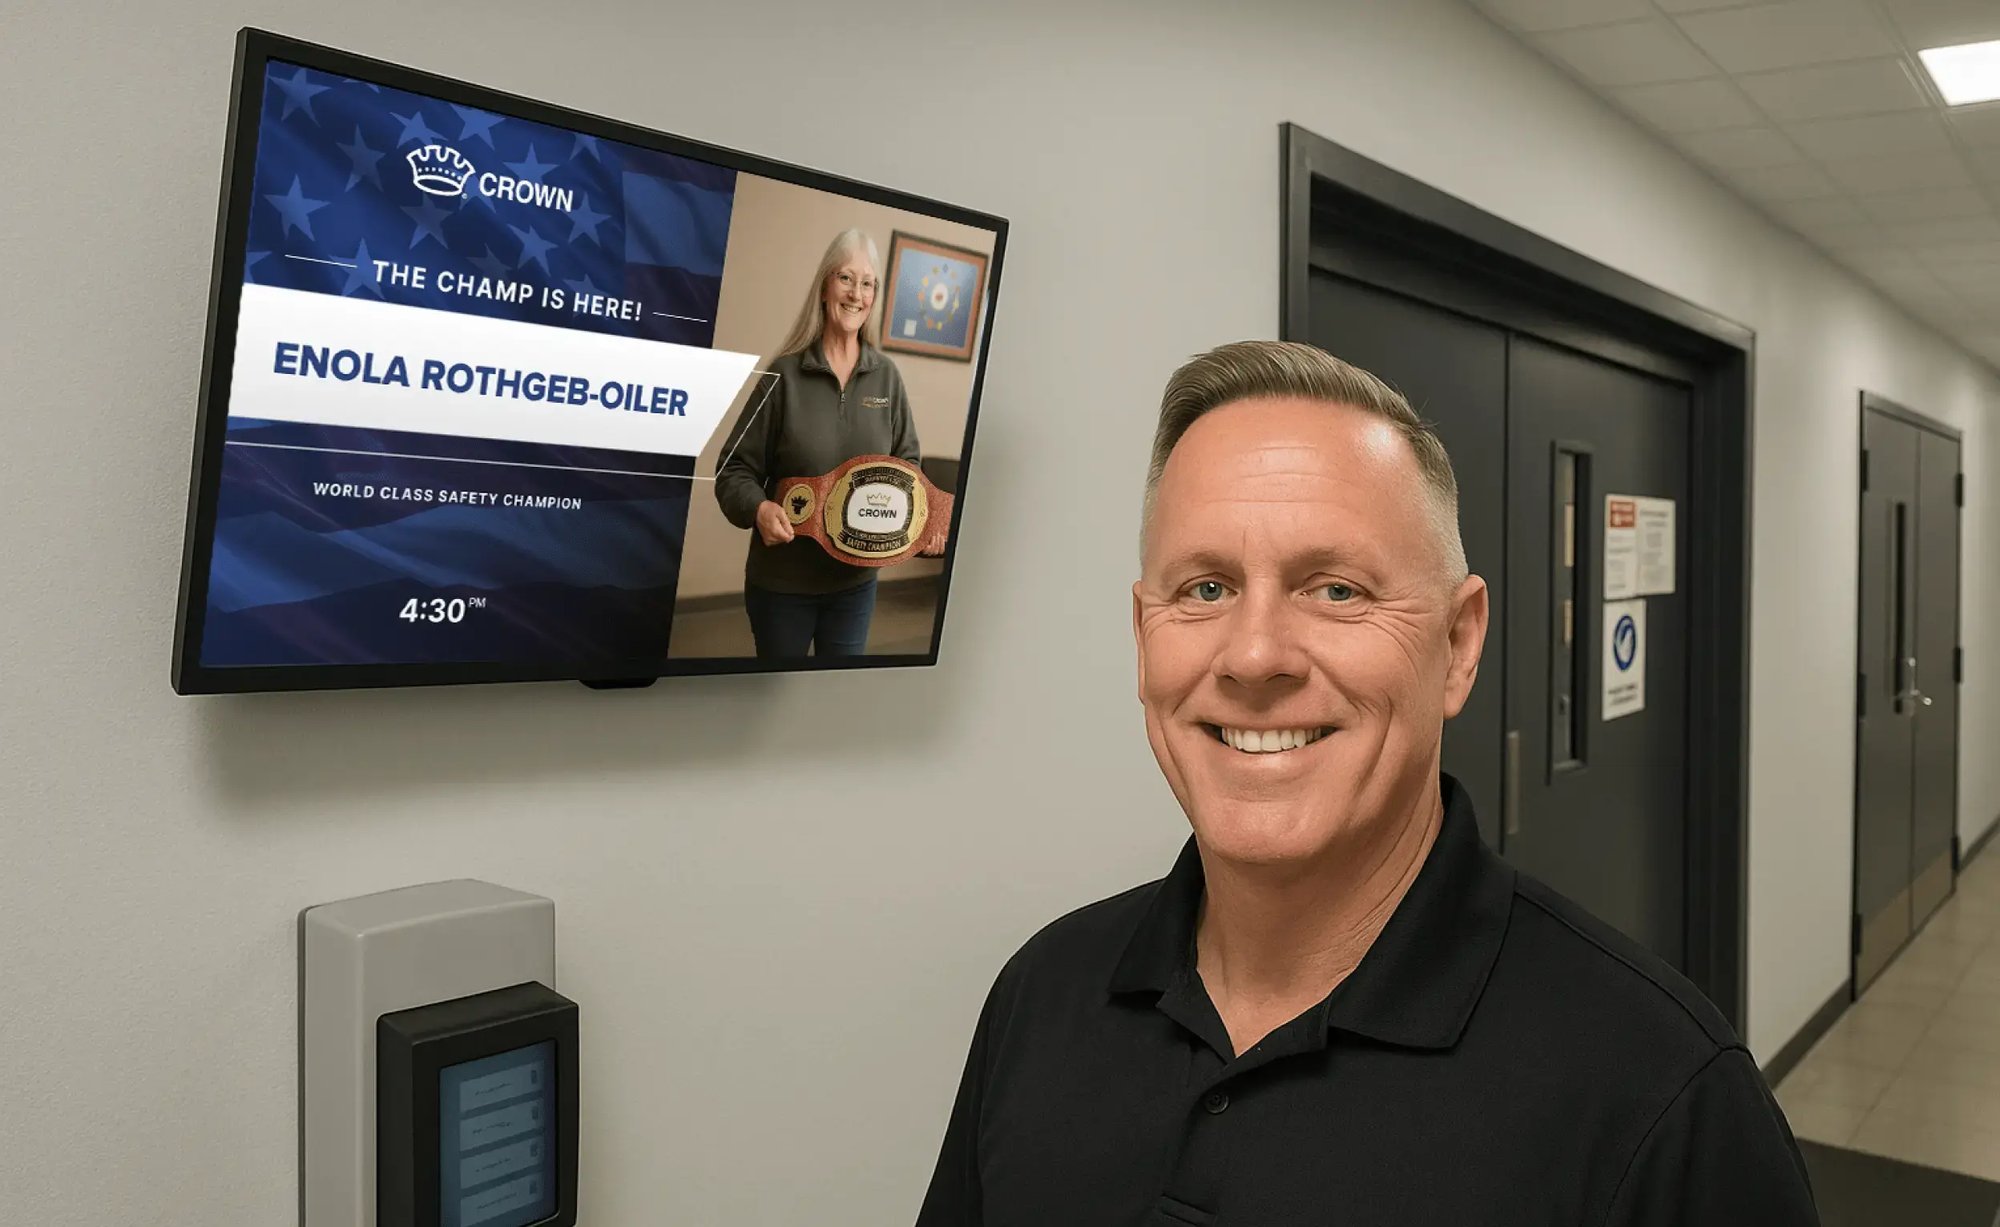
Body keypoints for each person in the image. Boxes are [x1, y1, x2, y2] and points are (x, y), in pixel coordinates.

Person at [915, 341, 1819, 1225]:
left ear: (1459, 644)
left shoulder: (1661, 1096)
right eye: (1203, 589)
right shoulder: (1043, 992)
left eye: (1336, 589)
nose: (1255, 654)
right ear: (1143, 630)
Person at [714, 228, 923, 657]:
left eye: (867, 283)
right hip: (783, 585)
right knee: (775, 700)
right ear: (825, 286)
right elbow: (733, 469)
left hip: (855, 587)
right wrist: (760, 508)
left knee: (834, 701)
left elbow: (908, 469)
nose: (856, 294)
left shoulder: (887, 377)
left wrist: (917, 520)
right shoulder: (784, 375)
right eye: (846, 278)